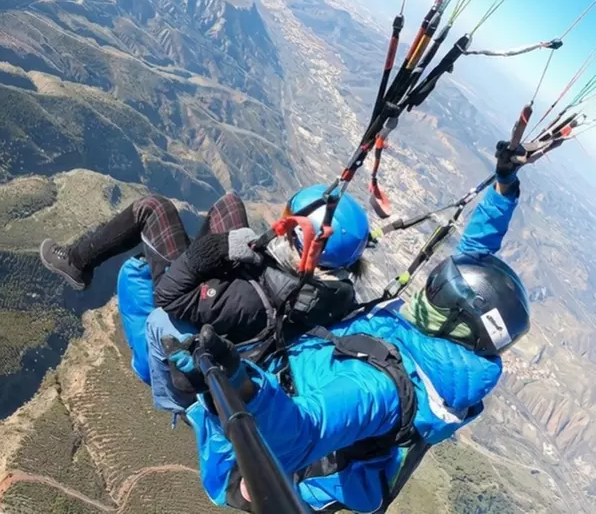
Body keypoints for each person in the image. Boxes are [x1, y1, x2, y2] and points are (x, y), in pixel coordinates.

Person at [148, 145, 532, 513]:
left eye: (438, 291)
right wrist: (503, 190)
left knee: (158, 315)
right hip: (291, 376)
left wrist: (239, 380)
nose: (426, 292)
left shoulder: (378, 389)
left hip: (259, 450)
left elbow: (302, 433)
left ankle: (174, 398)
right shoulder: (441, 343)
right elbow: (475, 257)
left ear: (458, 323)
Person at [40, 186, 370, 351]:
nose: (280, 223)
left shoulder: (253, 301)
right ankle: (187, 256)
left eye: (289, 221)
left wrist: (215, 250)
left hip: (194, 303)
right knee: (230, 203)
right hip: (249, 287)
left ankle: (76, 263)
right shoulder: (327, 288)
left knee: (152, 209)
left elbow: (169, 296)